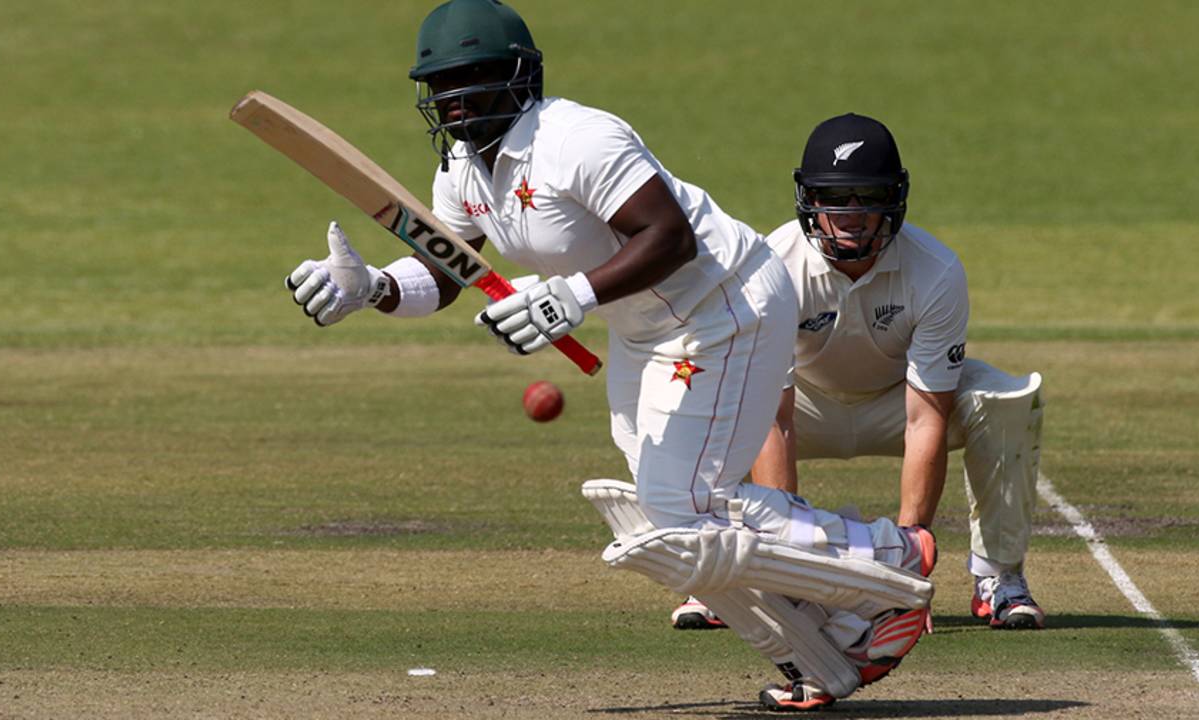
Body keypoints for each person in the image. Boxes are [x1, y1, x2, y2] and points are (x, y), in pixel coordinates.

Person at [282, 1, 935, 710]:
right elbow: (448, 271)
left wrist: (570, 297)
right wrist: (373, 288)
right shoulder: (463, 170)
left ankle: (889, 554)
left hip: (727, 305)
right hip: (645, 328)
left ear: (519, 78)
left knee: (684, 511)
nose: (456, 100)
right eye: (441, 86)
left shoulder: (579, 139)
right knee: (667, 520)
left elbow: (669, 237)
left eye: (474, 80)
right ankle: (827, 645)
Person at [673, 113, 1045, 635]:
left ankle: (998, 577)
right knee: (708, 393)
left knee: (1003, 401)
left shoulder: (935, 270)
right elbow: (772, 421)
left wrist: (906, 565)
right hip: (802, 405)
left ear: (892, 199)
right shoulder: (771, 267)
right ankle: (725, 576)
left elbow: (925, 418)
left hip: (896, 405)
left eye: (867, 196)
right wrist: (789, 566)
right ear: (810, 199)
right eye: (834, 197)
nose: (850, 214)